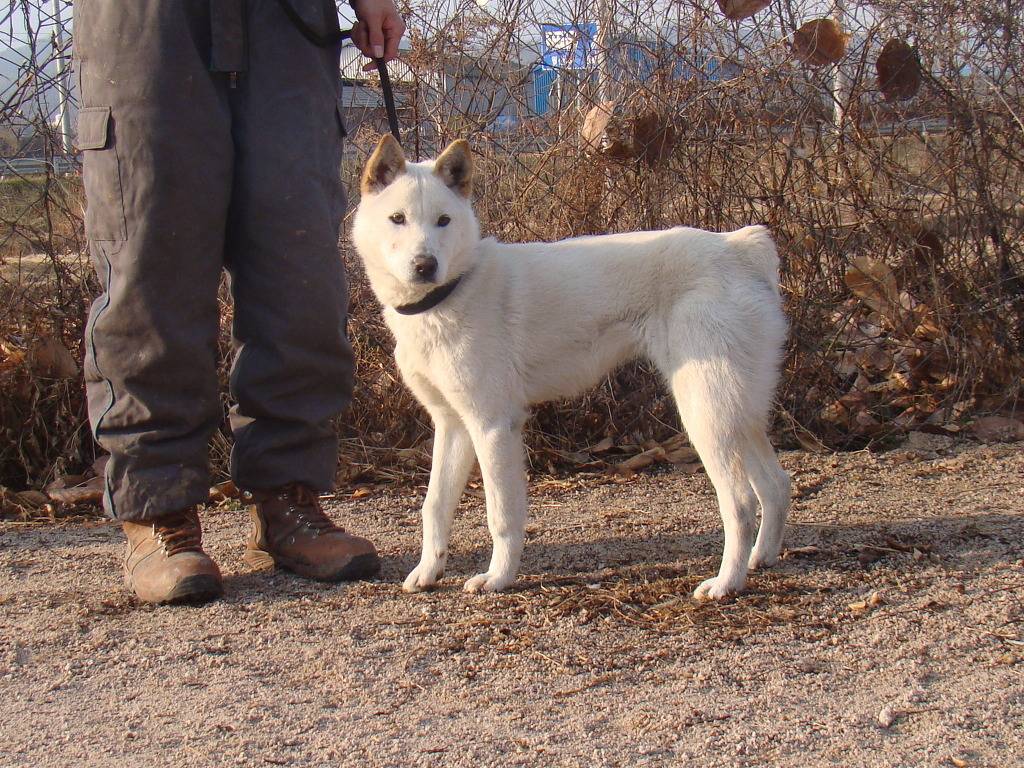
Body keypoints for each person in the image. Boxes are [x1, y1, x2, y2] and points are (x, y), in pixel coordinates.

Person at [75, 0, 405, 604]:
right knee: (154, 268)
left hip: (284, 24)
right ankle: (158, 510)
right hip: (148, 23)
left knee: (298, 269)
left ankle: (289, 496)